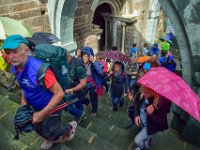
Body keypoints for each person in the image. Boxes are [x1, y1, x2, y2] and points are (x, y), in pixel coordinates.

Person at [2, 35, 77, 150]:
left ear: (26, 51)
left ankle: (69, 127)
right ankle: (54, 138)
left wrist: (41, 114)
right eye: (8, 53)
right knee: (37, 127)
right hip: (35, 105)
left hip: (52, 104)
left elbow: (59, 94)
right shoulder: (15, 67)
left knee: (51, 129)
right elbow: (24, 86)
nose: (11, 57)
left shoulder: (40, 70)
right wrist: (24, 103)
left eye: (15, 52)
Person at [133, 86, 171, 150]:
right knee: (146, 136)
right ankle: (148, 139)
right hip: (142, 122)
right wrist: (137, 115)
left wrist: (152, 114)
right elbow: (136, 103)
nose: (143, 94)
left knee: (137, 140)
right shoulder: (142, 94)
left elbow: (160, 121)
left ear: (153, 92)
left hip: (150, 126)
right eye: (142, 90)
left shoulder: (160, 104)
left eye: (146, 93)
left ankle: (143, 148)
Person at [65, 51, 87, 123]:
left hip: (75, 90)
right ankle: (81, 109)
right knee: (77, 101)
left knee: (68, 107)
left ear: (67, 55)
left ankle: (80, 114)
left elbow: (83, 84)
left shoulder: (78, 66)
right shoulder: (65, 63)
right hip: (69, 88)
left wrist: (71, 90)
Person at [81, 47, 104, 117]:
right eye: (83, 56)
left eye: (85, 56)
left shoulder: (93, 64)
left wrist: (94, 61)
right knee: (80, 96)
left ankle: (94, 110)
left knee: (93, 98)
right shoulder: (81, 63)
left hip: (92, 85)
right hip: (84, 83)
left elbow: (100, 72)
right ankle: (86, 101)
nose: (83, 58)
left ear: (90, 56)